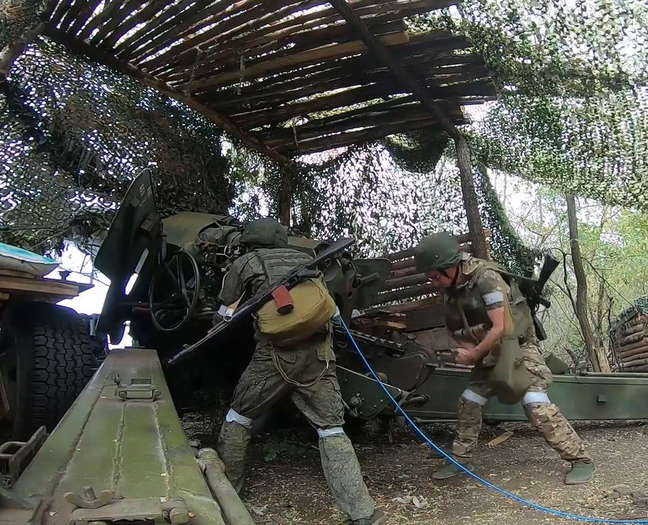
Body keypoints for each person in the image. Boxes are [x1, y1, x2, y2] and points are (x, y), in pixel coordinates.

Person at [215, 217, 387, 525]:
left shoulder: (245, 263)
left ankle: (224, 499)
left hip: (275, 356)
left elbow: (225, 313)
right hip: (320, 355)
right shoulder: (308, 260)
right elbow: (330, 307)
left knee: (238, 416)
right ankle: (362, 513)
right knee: (331, 428)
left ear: (251, 241)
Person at [414, 232, 595, 485]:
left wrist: (475, 354)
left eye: (435, 276)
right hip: (490, 351)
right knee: (470, 401)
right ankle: (460, 459)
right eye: (430, 277)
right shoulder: (452, 288)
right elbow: (454, 328)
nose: (434, 282)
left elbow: (500, 327)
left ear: (451, 266)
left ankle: (581, 459)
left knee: (534, 402)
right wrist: (467, 349)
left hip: (517, 347)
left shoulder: (486, 278)